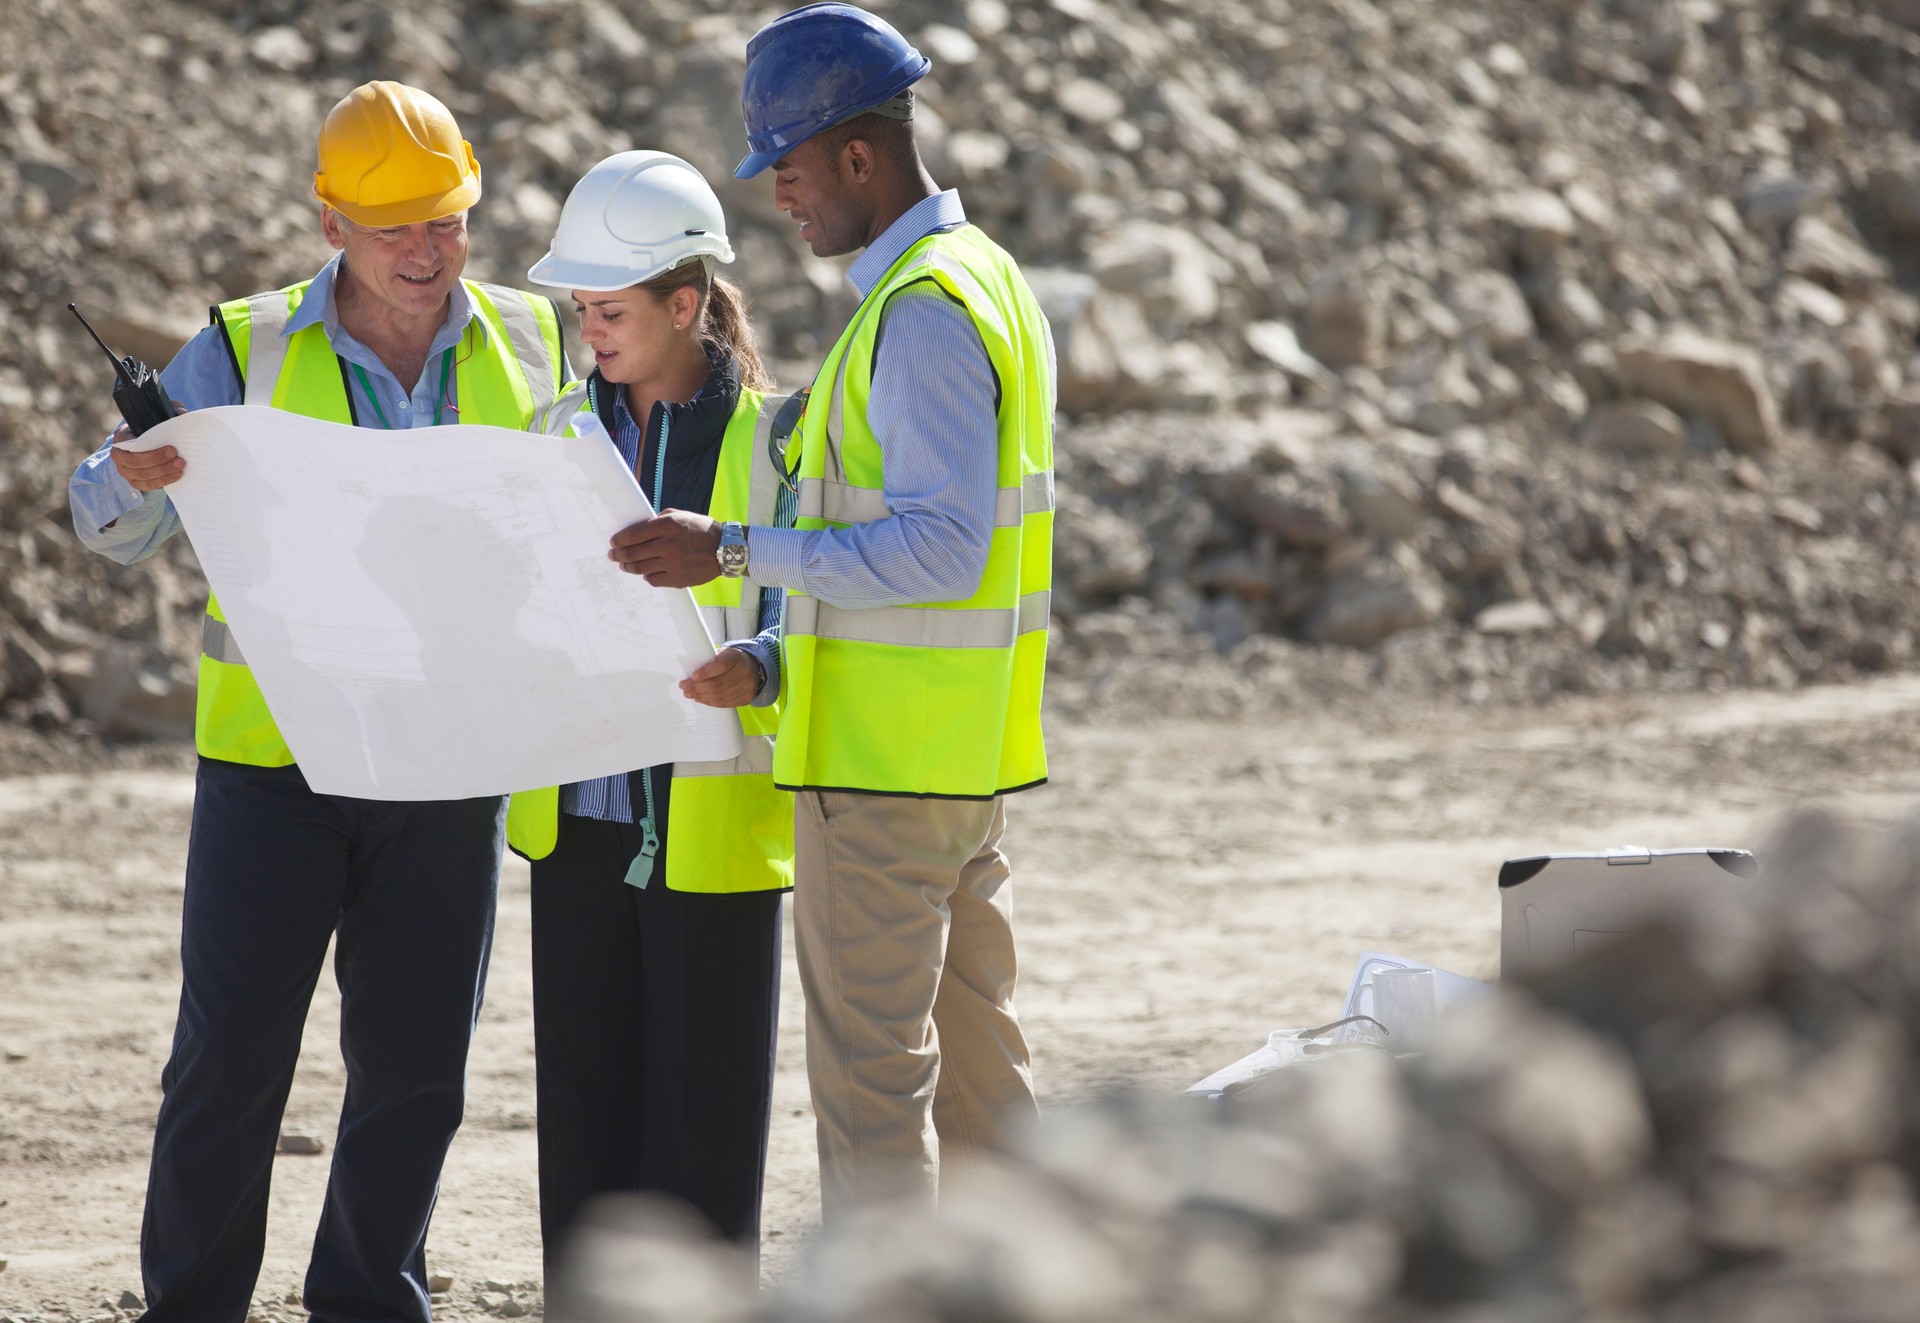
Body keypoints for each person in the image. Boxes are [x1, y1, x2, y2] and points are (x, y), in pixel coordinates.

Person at [66, 82, 568, 1322]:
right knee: (229, 1066)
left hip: (448, 765)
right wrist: (133, 478)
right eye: (395, 225)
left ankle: (365, 1299)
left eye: (445, 221)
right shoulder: (247, 347)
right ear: (331, 222)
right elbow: (105, 522)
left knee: (414, 1077)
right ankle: (193, 1308)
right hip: (273, 770)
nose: (426, 251)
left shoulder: (535, 343)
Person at [609, 3, 1057, 1220]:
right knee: (982, 1086)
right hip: (959, 765)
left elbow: (939, 549)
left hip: (883, 780)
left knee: (872, 1098)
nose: (780, 201)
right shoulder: (985, 279)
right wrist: (768, 650)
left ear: (859, 157)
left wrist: (732, 549)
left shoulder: (916, 312)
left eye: (791, 171)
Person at [503, 150, 794, 1266]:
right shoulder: (552, 435)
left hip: (713, 845)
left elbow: (812, 615)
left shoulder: (776, 441)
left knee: (705, 1145)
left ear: (687, 304)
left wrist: (759, 667)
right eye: (581, 311)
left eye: (611, 310)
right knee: (582, 1136)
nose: (592, 334)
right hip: (577, 832)